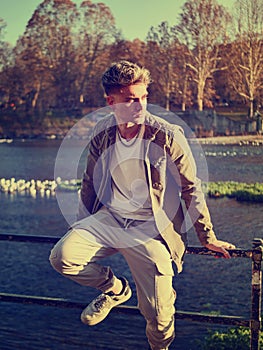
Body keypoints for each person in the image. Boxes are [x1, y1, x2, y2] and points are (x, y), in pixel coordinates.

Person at [49, 60, 235, 350]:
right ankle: (115, 289)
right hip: (109, 219)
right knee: (63, 256)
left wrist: (207, 237)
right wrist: (82, 225)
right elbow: (90, 181)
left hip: (150, 229)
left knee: (158, 317)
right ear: (111, 102)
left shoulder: (168, 135)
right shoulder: (102, 131)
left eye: (144, 97)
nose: (140, 106)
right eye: (131, 99)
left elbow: (190, 187)